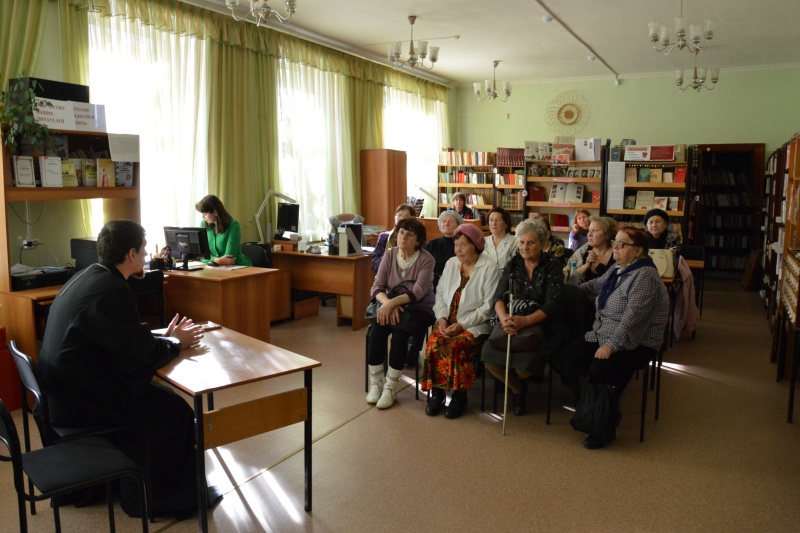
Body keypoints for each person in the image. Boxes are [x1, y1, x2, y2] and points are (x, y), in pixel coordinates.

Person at [38, 219, 220, 519]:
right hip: (81, 400)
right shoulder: (113, 290)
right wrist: (175, 343)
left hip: (62, 390)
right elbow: (136, 355)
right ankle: (156, 499)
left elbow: (119, 337)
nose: (148, 254)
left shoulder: (90, 276)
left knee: (160, 399)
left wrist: (163, 337)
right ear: (131, 253)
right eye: (145, 248)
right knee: (176, 412)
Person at [551, 227, 669, 450]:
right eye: (616, 242)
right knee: (565, 357)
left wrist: (611, 346)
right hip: (603, 332)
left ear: (639, 251)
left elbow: (633, 318)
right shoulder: (619, 267)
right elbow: (594, 287)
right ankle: (588, 406)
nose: (615, 247)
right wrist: (565, 292)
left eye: (622, 244)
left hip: (637, 340)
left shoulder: (645, 275)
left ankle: (602, 428)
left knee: (599, 369)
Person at [481, 218, 567, 415]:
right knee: (489, 359)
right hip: (511, 321)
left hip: (542, 324)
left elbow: (552, 305)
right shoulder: (514, 264)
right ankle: (518, 390)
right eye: (521, 242)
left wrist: (525, 321)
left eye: (531, 242)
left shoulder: (552, 266)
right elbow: (498, 297)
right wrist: (504, 319)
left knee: (523, 368)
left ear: (542, 243)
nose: (525, 247)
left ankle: (517, 383)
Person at [422, 224, 500, 419]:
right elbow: (439, 294)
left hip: (474, 325)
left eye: (463, 245)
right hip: (447, 321)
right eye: (456, 245)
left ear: (475, 245)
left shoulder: (489, 267)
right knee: (434, 342)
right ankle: (437, 393)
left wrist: (462, 325)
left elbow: (487, 306)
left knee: (457, 346)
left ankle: (459, 396)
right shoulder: (451, 264)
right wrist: (441, 318)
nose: (458, 249)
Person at [367, 218, 436, 409]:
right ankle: (376, 383)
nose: (403, 237)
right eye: (401, 232)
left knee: (400, 334)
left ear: (418, 241)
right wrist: (388, 304)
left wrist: (391, 305)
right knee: (376, 331)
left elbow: (418, 291)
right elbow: (376, 287)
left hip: (420, 309)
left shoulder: (426, 259)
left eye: (409, 234)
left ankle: (390, 386)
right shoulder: (390, 255)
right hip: (393, 305)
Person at [195, 194, 252, 266]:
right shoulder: (204, 224)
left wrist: (211, 259)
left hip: (238, 267)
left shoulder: (233, 226)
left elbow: (229, 259)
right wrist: (217, 260)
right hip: (216, 268)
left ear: (215, 212)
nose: (203, 216)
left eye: (205, 213)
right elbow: (201, 255)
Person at [564, 216, 617, 285]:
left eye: (595, 230)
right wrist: (587, 265)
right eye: (589, 230)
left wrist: (598, 266)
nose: (589, 234)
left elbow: (616, 282)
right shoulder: (582, 251)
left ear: (608, 235)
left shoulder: (618, 253)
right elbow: (566, 278)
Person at [371, 203, 416, 273]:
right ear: (394, 217)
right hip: (384, 276)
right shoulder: (384, 237)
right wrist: (388, 255)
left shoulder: (414, 239)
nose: (402, 218)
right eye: (399, 215)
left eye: (406, 216)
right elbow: (374, 264)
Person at [644, 208, 682, 291]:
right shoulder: (642, 238)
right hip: (645, 274)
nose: (654, 225)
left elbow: (674, 261)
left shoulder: (673, 238)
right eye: (651, 222)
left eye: (658, 221)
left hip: (667, 274)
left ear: (666, 224)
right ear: (647, 225)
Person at [424, 210, 463, 288]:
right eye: (444, 221)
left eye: (451, 221)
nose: (446, 223)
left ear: (458, 226)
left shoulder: (462, 245)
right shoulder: (432, 244)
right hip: (432, 284)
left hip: (456, 284)